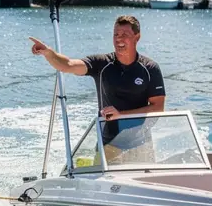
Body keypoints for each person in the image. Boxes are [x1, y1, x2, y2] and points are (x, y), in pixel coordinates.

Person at [30, 14, 165, 158]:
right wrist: (49, 53)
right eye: (116, 34)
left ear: (137, 37)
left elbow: (158, 108)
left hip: (140, 143)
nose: (119, 38)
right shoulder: (101, 64)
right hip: (109, 144)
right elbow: (68, 65)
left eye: (124, 34)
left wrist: (122, 115)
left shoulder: (150, 68)